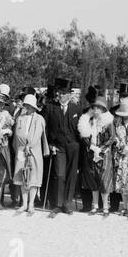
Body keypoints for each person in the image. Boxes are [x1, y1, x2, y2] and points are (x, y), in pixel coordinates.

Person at [44, 78, 81, 214]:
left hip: (73, 147)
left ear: (69, 95)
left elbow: (81, 129)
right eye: (58, 92)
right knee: (59, 175)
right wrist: (50, 144)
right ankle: (58, 204)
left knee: (71, 175)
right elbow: (46, 128)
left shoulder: (77, 108)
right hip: (58, 147)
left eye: (63, 93)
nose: (59, 95)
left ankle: (67, 203)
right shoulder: (50, 107)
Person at [12, 92, 49, 214]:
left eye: (29, 105)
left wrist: (29, 145)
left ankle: (31, 204)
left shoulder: (39, 119)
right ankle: (24, 203)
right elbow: (17, 134)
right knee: (23, 176)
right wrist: (23, 145)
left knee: (33, 176)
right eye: (25, 105)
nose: (27, 108)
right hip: (22, 150)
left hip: (34, 151)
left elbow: (38, 134)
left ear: (33, 106)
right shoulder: (20, 118)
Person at [78, 96, 114, 214]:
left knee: (104, 180)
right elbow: (85, 136)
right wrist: (92, 147)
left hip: (104, 155)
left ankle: (105, 207)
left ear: (103, 109)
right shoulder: (90, 121)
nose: (96, 110)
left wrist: (102, 148)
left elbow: (112, 137)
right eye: (94, 107)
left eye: (98, 108)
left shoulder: (108, 122)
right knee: (93, 180)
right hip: (92, 154)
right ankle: (95, 206)